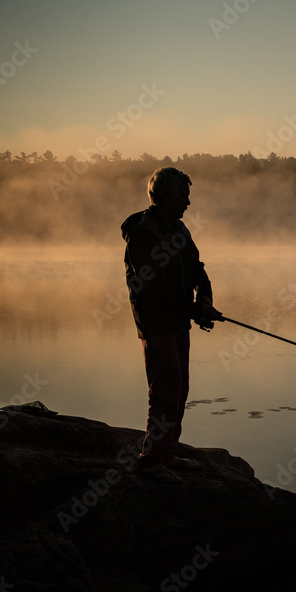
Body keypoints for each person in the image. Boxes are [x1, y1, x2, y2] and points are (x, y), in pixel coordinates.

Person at [120, 167, 223, 483]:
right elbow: (151, 288)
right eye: (183, 196)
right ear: (165, 197)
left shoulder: (179, 230)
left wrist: (203, 300)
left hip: (178, 322)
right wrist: (193, 309)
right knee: (165, 389)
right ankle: (150, 460)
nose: (188, 203)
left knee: (179, 389)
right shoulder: (143, 234)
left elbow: (198, 271)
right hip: (156, 324)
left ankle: (166, 453)